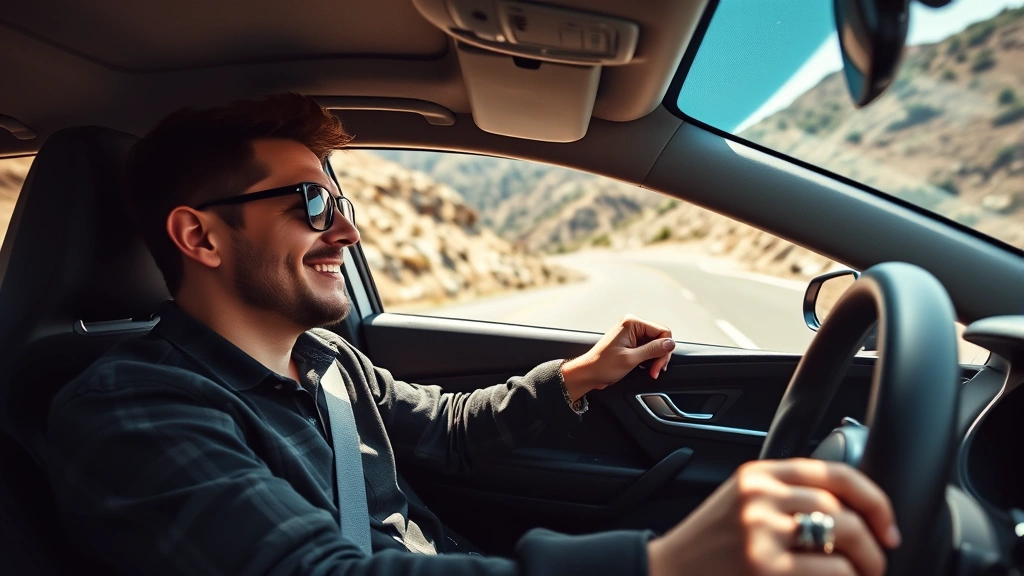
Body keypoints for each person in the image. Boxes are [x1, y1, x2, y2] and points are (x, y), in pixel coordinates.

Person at [44, 93, 901, 576]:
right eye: (312, 205)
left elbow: (446, 433)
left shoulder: (328, 362)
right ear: (200, 237)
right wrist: (660, 566)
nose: (346, 233)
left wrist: (582, 374)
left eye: (341, 204)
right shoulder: (132, 411)